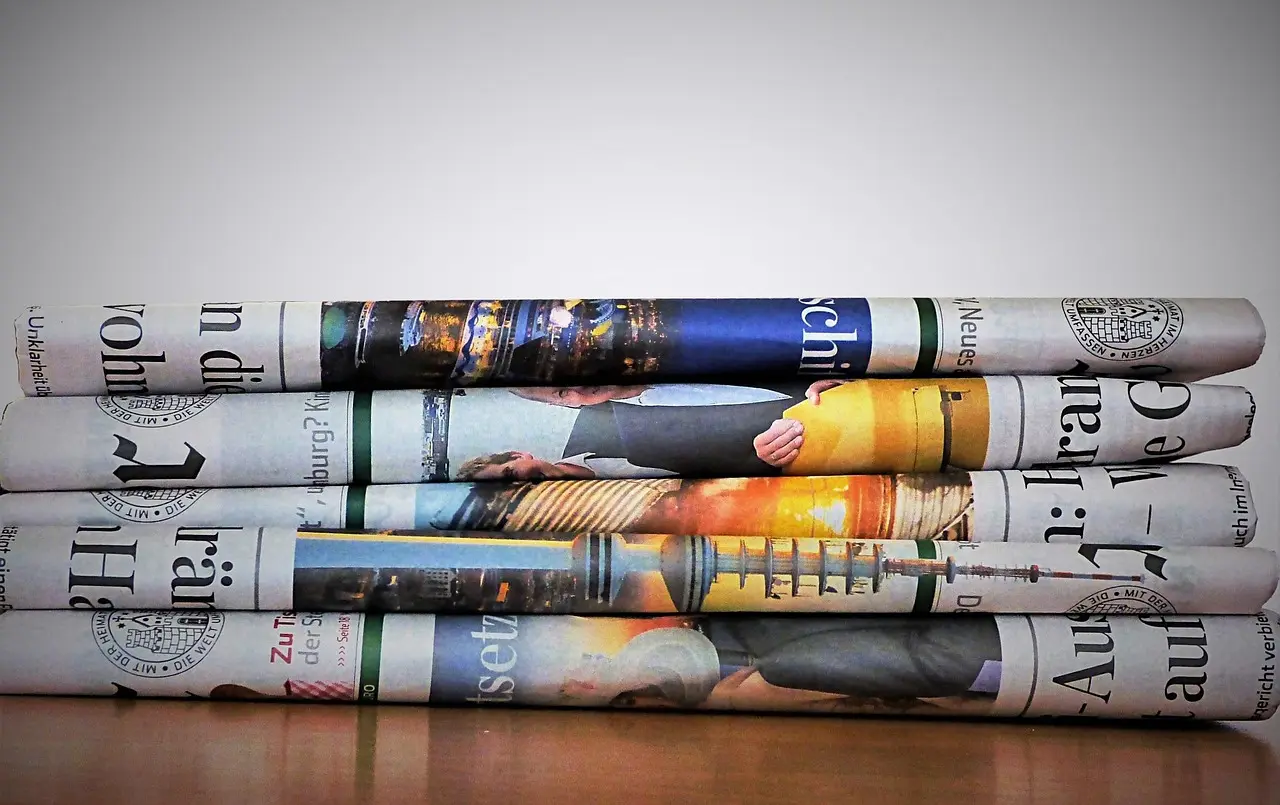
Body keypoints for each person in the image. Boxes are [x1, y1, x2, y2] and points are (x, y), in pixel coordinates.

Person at [455, 379, 847, 480]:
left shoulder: (685, 352)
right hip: (839, 446)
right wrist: (761, 458)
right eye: (562, 393)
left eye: (567, 378)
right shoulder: (633, 446)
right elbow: (711, 481)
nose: (578, 389)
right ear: (563, 405)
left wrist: (827, 384)